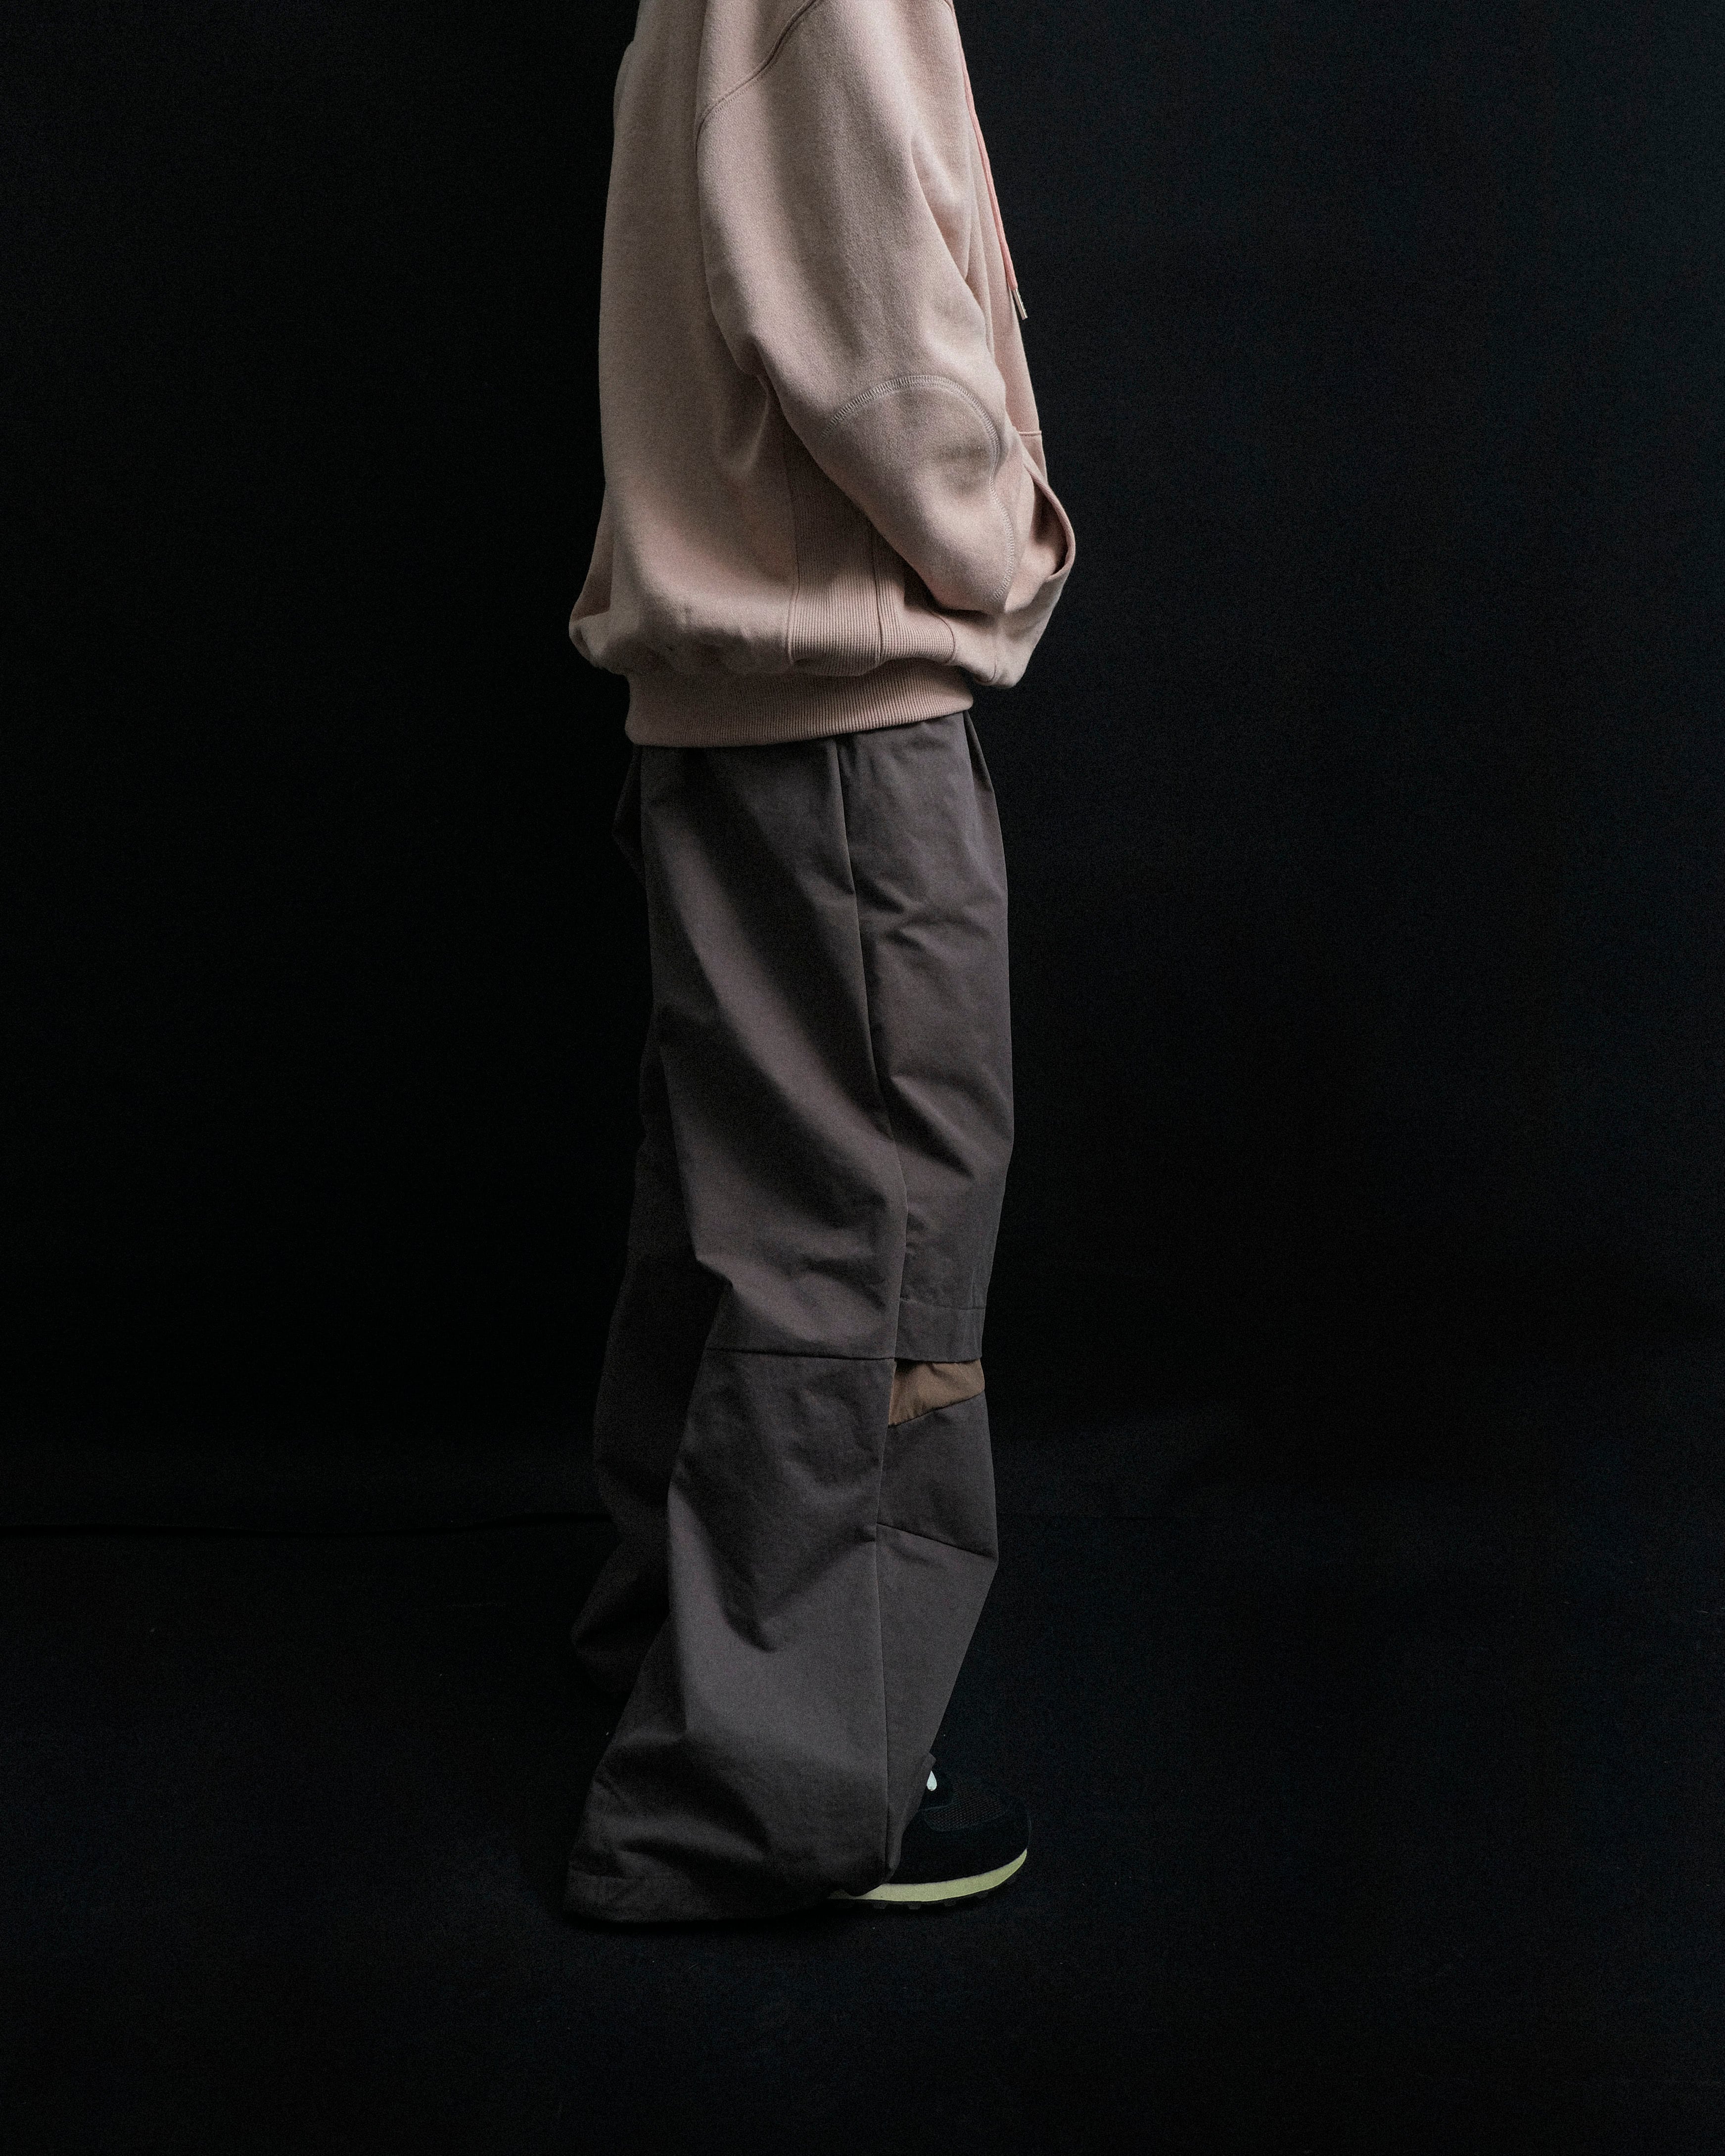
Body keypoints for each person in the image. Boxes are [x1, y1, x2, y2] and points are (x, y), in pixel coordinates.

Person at [562, 0, 1074, 1923]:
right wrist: (1007, 542)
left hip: (742, 710)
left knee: (743, 1223)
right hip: (834, 721)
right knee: (871, 1237)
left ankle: (687, 1668)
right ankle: (759, 1800)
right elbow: (874, 342)